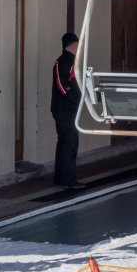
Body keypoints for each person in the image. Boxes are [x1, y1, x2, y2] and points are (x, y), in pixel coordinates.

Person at [50, 32, 85, 189]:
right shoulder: (61, 61)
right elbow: (62, 85)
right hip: (63, 109)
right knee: (69, 143)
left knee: (65, 143)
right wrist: (76, 99)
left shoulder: (73, 62)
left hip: (69, 108)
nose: (79, 47)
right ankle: (67, 179)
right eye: (77, 44)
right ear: (70, 45)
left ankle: (60, 178)